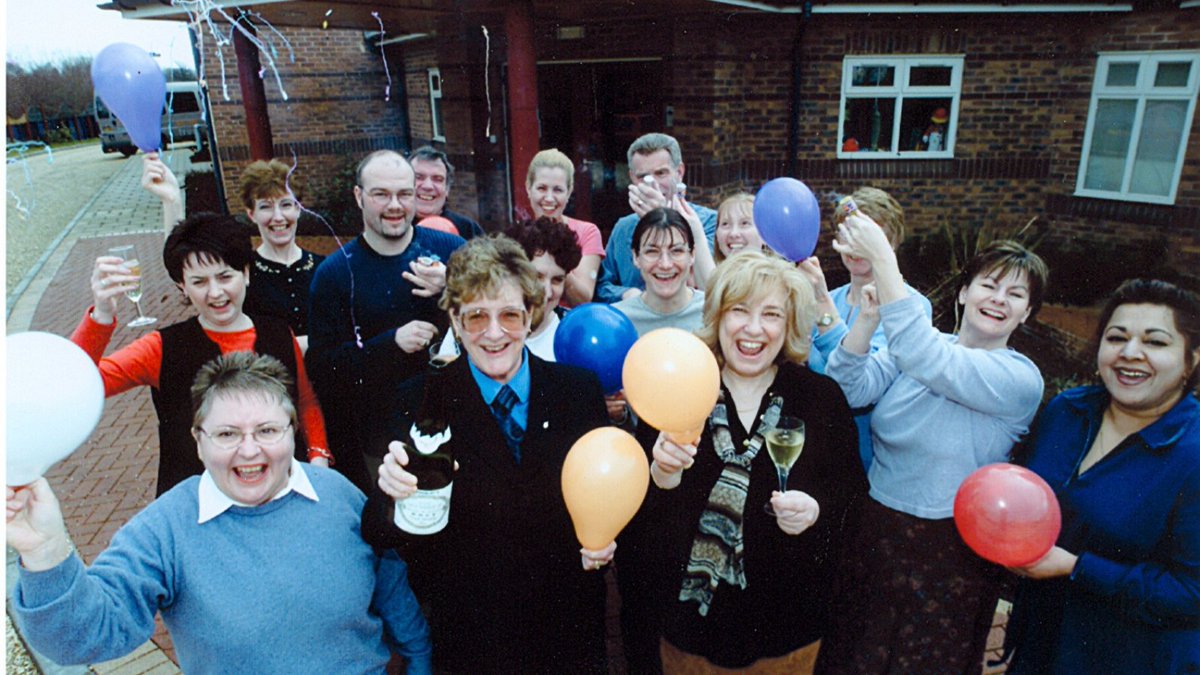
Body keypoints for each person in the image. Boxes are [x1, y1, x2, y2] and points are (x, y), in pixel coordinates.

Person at [7, 352, 432, 674]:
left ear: (292, 431)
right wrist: (46, 551)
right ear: (198, 440)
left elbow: (391, 591)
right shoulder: (165, 528)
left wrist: (420, 662)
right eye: (227, 434)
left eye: (267, 430)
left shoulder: (338, 495)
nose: (250, 451)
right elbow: (84, 636)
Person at [361, 235, 613, 673]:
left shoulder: (577, 392)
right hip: (476, 642)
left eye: (509, 315)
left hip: (570, 637)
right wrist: (390, 493)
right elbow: (383, 533)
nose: (494, 333)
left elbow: (610, 495)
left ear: (530, 315)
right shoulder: (418, 400)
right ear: (455, 320)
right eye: (477, 316)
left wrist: (608, 540)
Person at [619, 250, 866, 672]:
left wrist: (817, 513)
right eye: (740, 311)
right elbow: (636, 535)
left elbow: (854, 502)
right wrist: (660, 476)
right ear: (717, 316)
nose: (754, 329)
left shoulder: (820, 399)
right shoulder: (676, 389)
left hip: (787, 639)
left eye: (772, 314)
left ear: (788, 325)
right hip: (690, 639)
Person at [815, 230, 1048, 675]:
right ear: (963, 293)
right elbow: (847, 390)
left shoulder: (1019, 379)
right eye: (989, 285)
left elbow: (927, 360)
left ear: (1026, 314)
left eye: (1015, 294)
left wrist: (884, 260)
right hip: (876, 530)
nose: (999, 299)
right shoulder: (923, 344)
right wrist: (866, 321)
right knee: (854, 656)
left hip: (952, 548)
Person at [1005, 278, 1200, 674]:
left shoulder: (1192, 453)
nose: (1130, 353)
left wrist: (1075, 567)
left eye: (1155, 342)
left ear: (1192, 361)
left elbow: (1192, 593)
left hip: (1130, 657)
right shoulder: (1067, 412)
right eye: (1117, 337)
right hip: (1040, 641)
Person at [73, 214, 329, 496]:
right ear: (182, 285)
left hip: (278, 488)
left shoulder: (279, 333)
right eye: (199, 282)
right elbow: (78, 381)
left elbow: (304, 402)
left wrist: (318, 456)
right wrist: (101, 316)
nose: (215, 293)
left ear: (245, 273)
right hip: (196, 499)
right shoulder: (161, 347)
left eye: (224, 276)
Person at [306, 150, 465, 490]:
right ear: (359, 197)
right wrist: (390, 345)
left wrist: (456, 286)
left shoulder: (454, 252)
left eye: (404, 194)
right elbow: (322, 370)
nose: (395, 205)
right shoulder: (335, 274)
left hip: (458, 433)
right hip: (384, 449)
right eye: (381, 194)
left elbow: (500, 314)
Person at [799, 186, 932, 471]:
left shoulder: (912, 307)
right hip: (817, 450)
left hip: (871, 459)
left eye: (869, 237)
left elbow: (854, 384)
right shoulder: (830, 297)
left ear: (891, 244)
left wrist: (821, 307)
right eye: (848, 235)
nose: (856, 247)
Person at [142, 155, 325, 351]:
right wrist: (172, 202)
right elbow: (182, 261)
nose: (278, 217)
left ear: (298, 209)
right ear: (251, 214)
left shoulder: (325, 268)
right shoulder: (238, 270)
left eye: (286, 204)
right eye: (265, 207)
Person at [595, 133, 717, 304]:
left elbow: (702, 284)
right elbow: (601, 285)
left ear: (679, 172)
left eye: (661, 173)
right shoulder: (624, 228)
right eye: (643, 177)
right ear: (632, 178)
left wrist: (663, 217)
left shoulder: (709, 222)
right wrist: (626, 293)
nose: (654, 185)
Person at [525, 148, 605, 306]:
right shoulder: (519, 235)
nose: (549, 198)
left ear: (569, 193)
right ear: (528, 188)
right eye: (542, 188)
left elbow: (583, 298)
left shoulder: (587, 232)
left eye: (558, 190)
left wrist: (555, 259)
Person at [614, 208, 706, 337]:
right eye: (652, 252)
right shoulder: (617, 321)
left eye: (676, 251)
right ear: (636, 257)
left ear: (692, 255)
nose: (665, 264)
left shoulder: (713, 314)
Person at [410, 145, 487, 240]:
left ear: (447, 189)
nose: (428, 186)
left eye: (437, 179)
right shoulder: (392, 227)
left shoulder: (469, 230)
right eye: (418, 177)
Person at [713, 192, 765, 263]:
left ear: (765, 235)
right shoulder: (709, 273)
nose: (734, 233)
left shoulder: (780, 273)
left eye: (744, 223)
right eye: (725, 224)